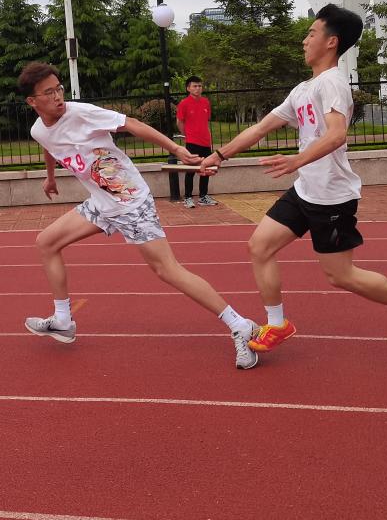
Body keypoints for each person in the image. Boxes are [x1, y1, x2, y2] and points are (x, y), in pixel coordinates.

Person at [197, 4, 387, 355]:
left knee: (341, 276)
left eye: (311, 33)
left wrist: (297, 160)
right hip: (305, 190)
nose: (304, 40)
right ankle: (277, 324)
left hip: (332, 196)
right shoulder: (304, 88)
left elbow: (336, 134)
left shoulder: (333, 83)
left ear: (331, 42)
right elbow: (260, 127)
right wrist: (220, 155)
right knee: (259, 247)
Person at [17, 62, 260, 369]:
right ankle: (63, 320)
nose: (57, 96)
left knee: (167, 270)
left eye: (59, 89)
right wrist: (50, 177)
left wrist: (177, 149)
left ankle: (240, 324)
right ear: (32, 101)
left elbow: (131, 124)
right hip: (101, 202)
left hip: (130, 201)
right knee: (46, 242)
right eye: (49, 92)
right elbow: (50, 144)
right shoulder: (38, 130)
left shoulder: (81, 113)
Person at [176, 75, 217, 208]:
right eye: (195, 86)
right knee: (191, 170)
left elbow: (205, 120)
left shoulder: (205, 102)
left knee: (206, 169)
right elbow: (179, 122)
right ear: (188, 88)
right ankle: (188, 197)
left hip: (206, 142)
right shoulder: (184, 103)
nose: (198, 88)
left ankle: (203, 196)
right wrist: (187, 135)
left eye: (200, 86)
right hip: (192, 142)